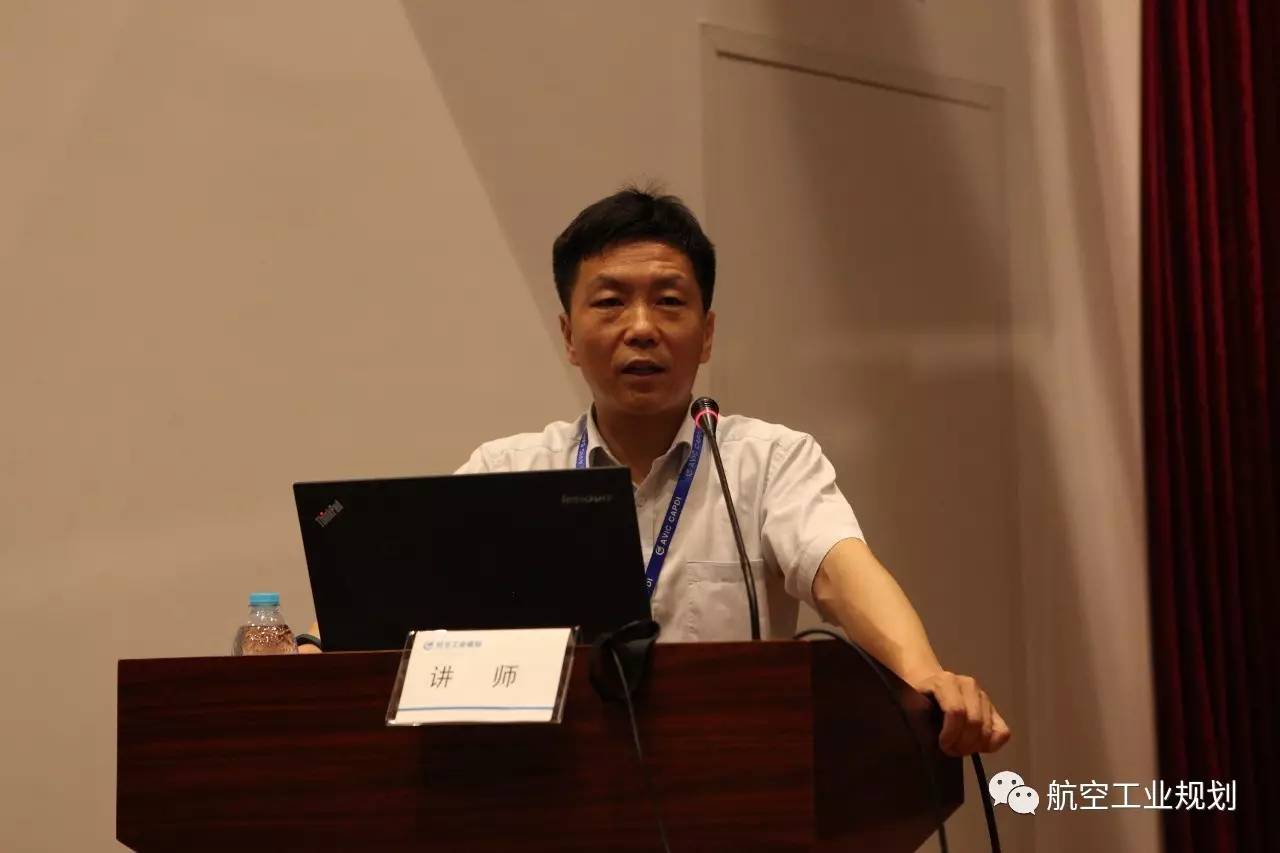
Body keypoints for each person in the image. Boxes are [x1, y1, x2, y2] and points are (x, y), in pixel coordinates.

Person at [451, 186, 1010, 757]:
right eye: (611, 302)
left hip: (728, 770)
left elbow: (838, 574)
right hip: (554, 776)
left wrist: (924, 674)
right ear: (570, 336)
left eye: (669, 301)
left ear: (707, 334)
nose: (641, 327)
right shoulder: (505, 472)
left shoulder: (769, 461)